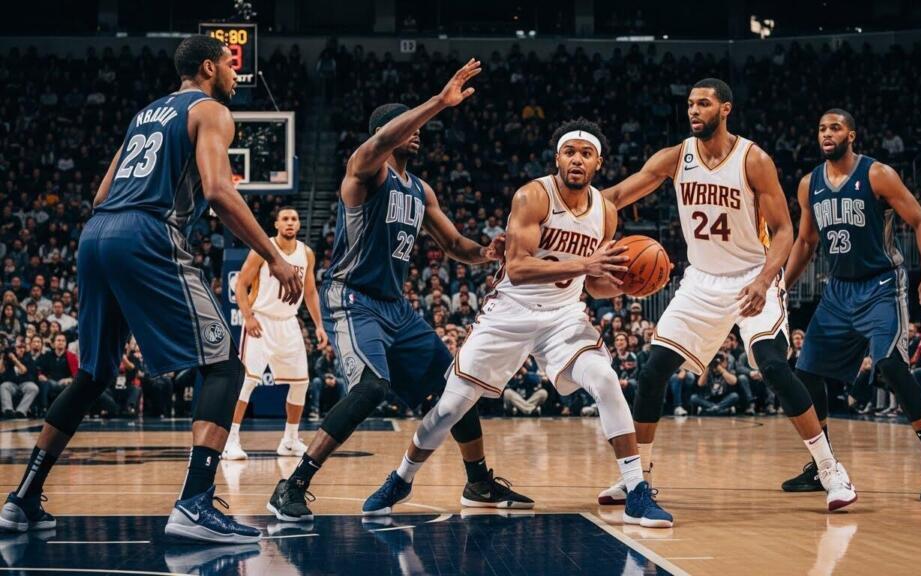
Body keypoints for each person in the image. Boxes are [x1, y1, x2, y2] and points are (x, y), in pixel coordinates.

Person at [0, 35, 304, 543]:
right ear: (209, 67)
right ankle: (195, 503)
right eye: (230, 66)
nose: (236, 75)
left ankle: (22, 499)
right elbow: (218, 190)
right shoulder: (211, 111)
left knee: (93, 374)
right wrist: (274, 256)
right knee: (224, 365)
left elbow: (102, 193)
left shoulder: (144, 115)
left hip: (97, 233)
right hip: (146, 232)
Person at [362, 119, 672, 527]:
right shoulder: (533, 196)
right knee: (450, 407)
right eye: (570, 152)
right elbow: (519, 268)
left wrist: (625, 284)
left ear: (598, 163)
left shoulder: (606, 213)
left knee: (605, 378)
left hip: (563, 317)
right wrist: (586, 265)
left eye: (586, 154)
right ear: (557, 158)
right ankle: (402, 478)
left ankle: (636, 490)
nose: (577, 160)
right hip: (510, 313)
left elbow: (594, 284)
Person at [266, 59, 533, 524]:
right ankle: (293, 483)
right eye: (406, 125)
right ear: (385, 133)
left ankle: (478, 481)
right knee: (371, 388)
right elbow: (380, 144)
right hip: (352, 298)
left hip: (396, 308)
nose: (418, 132)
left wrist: (487, 252)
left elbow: (454, 245)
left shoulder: (420, 190)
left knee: (458, 385)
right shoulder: (365, 171)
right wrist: (439, 101)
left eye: (418, 125)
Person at [598, 79, 856, 512]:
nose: (693, 111)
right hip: (701, 281)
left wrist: (765, 280)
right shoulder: (675, 157)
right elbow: (617, 196)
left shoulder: (753, 160)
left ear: (725, 109)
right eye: (690, 104)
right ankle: (636, 478)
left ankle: (830, 470)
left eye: (703, 103)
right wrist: (567, 214)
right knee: (653, 370)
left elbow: (785, 231)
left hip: (752, 274)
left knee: (773, 366)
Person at [783, 108, 921, 501]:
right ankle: (824, 465)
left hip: (881, 284)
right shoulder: (809, 184)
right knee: (806, 371)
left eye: (835, 128)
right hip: (838, 290)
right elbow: (806, 242)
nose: (827, 134)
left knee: (890, 365)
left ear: (851, 135)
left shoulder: (877, 174)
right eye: (821, 128)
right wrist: (782, 287)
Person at [223, 206, 328, 460]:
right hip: (261, 320)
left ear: (299, 225)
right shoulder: (263, 249)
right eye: (285, 219)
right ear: (277, 225)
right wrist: (248, 317)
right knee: (247, 381)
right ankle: (230, 440)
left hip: (289, 322)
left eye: (294, 219)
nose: (290, 222)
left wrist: (319, 325)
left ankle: (290, 440)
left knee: (301, 383)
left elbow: (310, 292)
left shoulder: (306, 253)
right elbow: (241, 284)